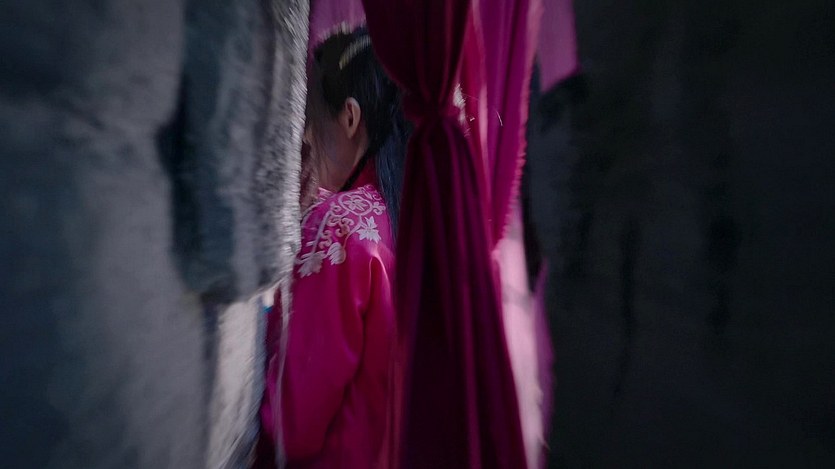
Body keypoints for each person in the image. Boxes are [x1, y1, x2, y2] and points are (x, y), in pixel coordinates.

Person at [256, 25, 409, 468]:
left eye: (309, 118)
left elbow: (290, 427)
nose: (303, 139)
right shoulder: (422, 219)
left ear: (350, 117)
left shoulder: (340, 226)